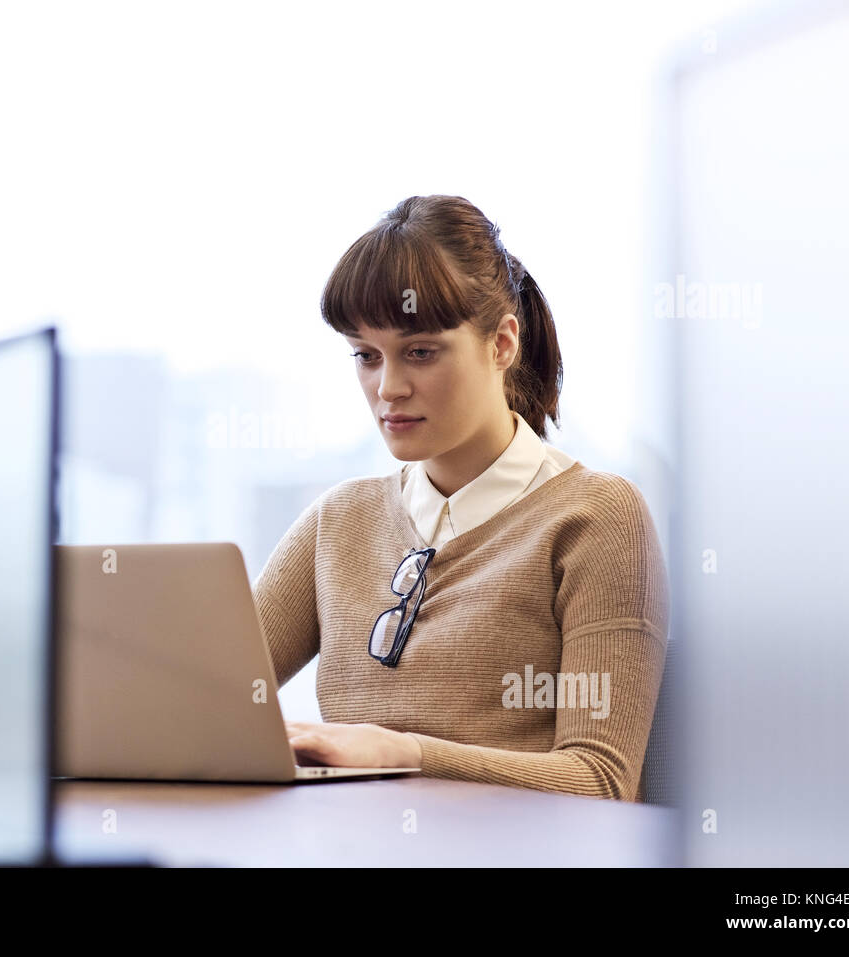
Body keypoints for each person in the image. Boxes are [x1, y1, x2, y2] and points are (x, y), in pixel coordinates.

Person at [252, 194, 669, 801]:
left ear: (502, 344)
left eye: (419, 351)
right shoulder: (338, 521)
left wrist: (405, 754)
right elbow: (197, 699)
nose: (388, 388)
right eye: (366, 356)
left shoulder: (596, 518)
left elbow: (599, 781)